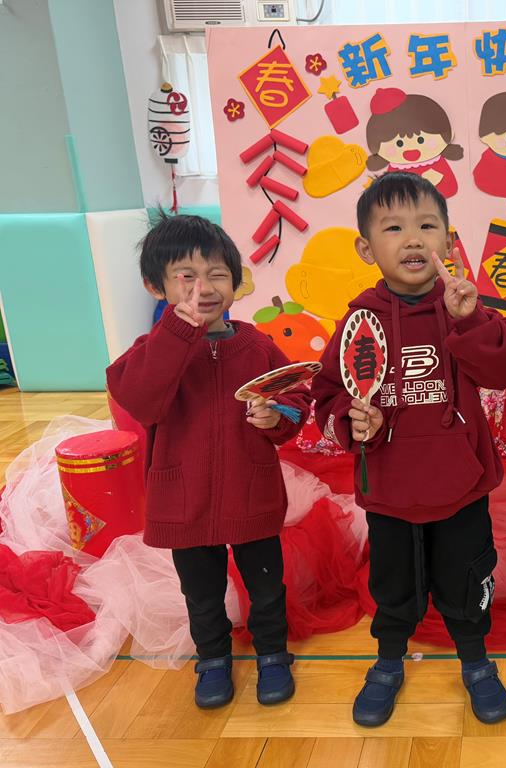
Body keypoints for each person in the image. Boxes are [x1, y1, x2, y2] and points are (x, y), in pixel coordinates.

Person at [311, 172, 506, 726]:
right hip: (390, 489)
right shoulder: (360, 319)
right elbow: (328, 394)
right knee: (393, 588)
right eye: (393, 228)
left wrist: (470, 318)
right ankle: (388, 662)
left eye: (427, 226)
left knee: (467, 581)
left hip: (460, 487)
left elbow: (504, 369)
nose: (412, 239)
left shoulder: (463, 304)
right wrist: (352, 420)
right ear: (366, 248)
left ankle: (476, 661)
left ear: (449, 242)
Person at [107, 213, 310, 709]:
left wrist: (276, 417)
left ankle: (273, 653)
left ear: (235, 282)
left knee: (267, 585)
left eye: (217, 274)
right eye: (186, 276)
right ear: (156, 286)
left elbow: (295, 400)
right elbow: (141, 399)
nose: (204, 287)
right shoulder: (151, 351)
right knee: (200, 591)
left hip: (251, 490)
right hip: (184, 497)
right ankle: (213, 659)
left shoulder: (257, 345)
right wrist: (179, 332)